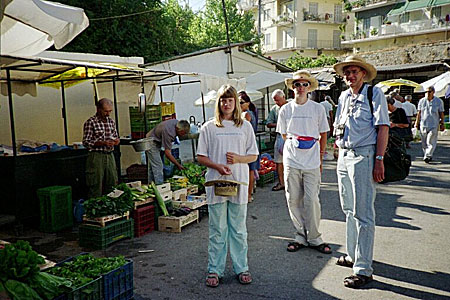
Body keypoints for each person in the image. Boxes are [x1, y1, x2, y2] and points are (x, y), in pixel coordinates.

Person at [333, 55, 389, 288]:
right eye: (347, 72)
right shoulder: (344, 96)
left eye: (354, 71)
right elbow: (339, 125)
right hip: (345, 156)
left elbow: (383, 127)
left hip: (364, 155)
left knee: (363, 212)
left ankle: (364, 269)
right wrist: (337, 147)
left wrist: (379, 159)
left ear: (363, 74)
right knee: (348, 209)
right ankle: (353, 255)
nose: (350, 76)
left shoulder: (374, 94)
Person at [197, 84, 259, 288]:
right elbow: (201, 156)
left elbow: (254, 155)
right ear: (219, 103)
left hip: (239, 183)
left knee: (239, 229)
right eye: (223, 100)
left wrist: (239, 159)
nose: (227, 104)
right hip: (216, 184)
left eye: (230, 100)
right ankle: (215, 269)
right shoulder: (209, 127)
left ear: (236, 103)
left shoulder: (245, 126)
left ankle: (242, 268)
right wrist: (217, 166)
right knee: (217, 229)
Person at [276, 71, 331, 255]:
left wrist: (321, 156)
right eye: (297, 84)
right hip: (292, 160)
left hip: (312, 160)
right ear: (292, 88)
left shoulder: (317, 109)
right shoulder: (285, 109)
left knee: (312, 199)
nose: (300, 88)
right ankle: (300, 235)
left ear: (309, 87)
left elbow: (323, 133)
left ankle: (315, 237)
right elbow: (284, 135)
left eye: (304, 84)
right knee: (293, 198)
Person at [82, 98, 120, 199]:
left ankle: (111, 207)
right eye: (105, 111)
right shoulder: (91, 122)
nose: (108, 114)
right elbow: (86, 142)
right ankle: (95, 207)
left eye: (110, 111)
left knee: (112, 182)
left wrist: (116, 141)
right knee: (95, 184)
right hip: (96, 156)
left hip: (109, 155)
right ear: (98, 109)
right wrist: (102, 143)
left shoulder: (111, 122)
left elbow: (115, 136)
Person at [145, 119, 190, 184]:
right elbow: (167, 154)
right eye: (184, 133)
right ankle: (160, 187)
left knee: (153, 166)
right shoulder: (169, 133)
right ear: (180, 130)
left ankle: (151, 184)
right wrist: (178, 165)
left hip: (156, 139)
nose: (184, 135)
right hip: (151, 141)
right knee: (158, 166)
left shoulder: (176, 122)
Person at [415, 86, 445, 163]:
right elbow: (419, 113)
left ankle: (427, 155)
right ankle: (428, 155)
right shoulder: (422, 101)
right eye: (426, 92)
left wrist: (442, 123)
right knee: (424, 142)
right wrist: (416, 123)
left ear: (433, 92)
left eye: (429, 92)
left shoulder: (438, 101)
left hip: (434, 124)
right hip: (423, 124)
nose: (427, 93)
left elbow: (441, 113)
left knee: (430, 141)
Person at [239, 91, 260, 202]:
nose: (239, 105)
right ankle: (248, 193)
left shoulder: (246, 114)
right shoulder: (251, 112)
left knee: (249, 170)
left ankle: (248, 194)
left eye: (241, 102)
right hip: (250, 143)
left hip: (248, 144)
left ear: (247, 103)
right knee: (249, 170)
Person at [265, 89, 288, 191]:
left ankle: (292, 183)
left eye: (278, 100)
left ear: (283, 97)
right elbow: (268, 123)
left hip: (291, 136)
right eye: (275, 100)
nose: (276, 102)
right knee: (279, 161)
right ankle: (281, 182)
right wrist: (279, 124)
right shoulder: (274, 109)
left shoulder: (291, 106)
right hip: (279, 136)